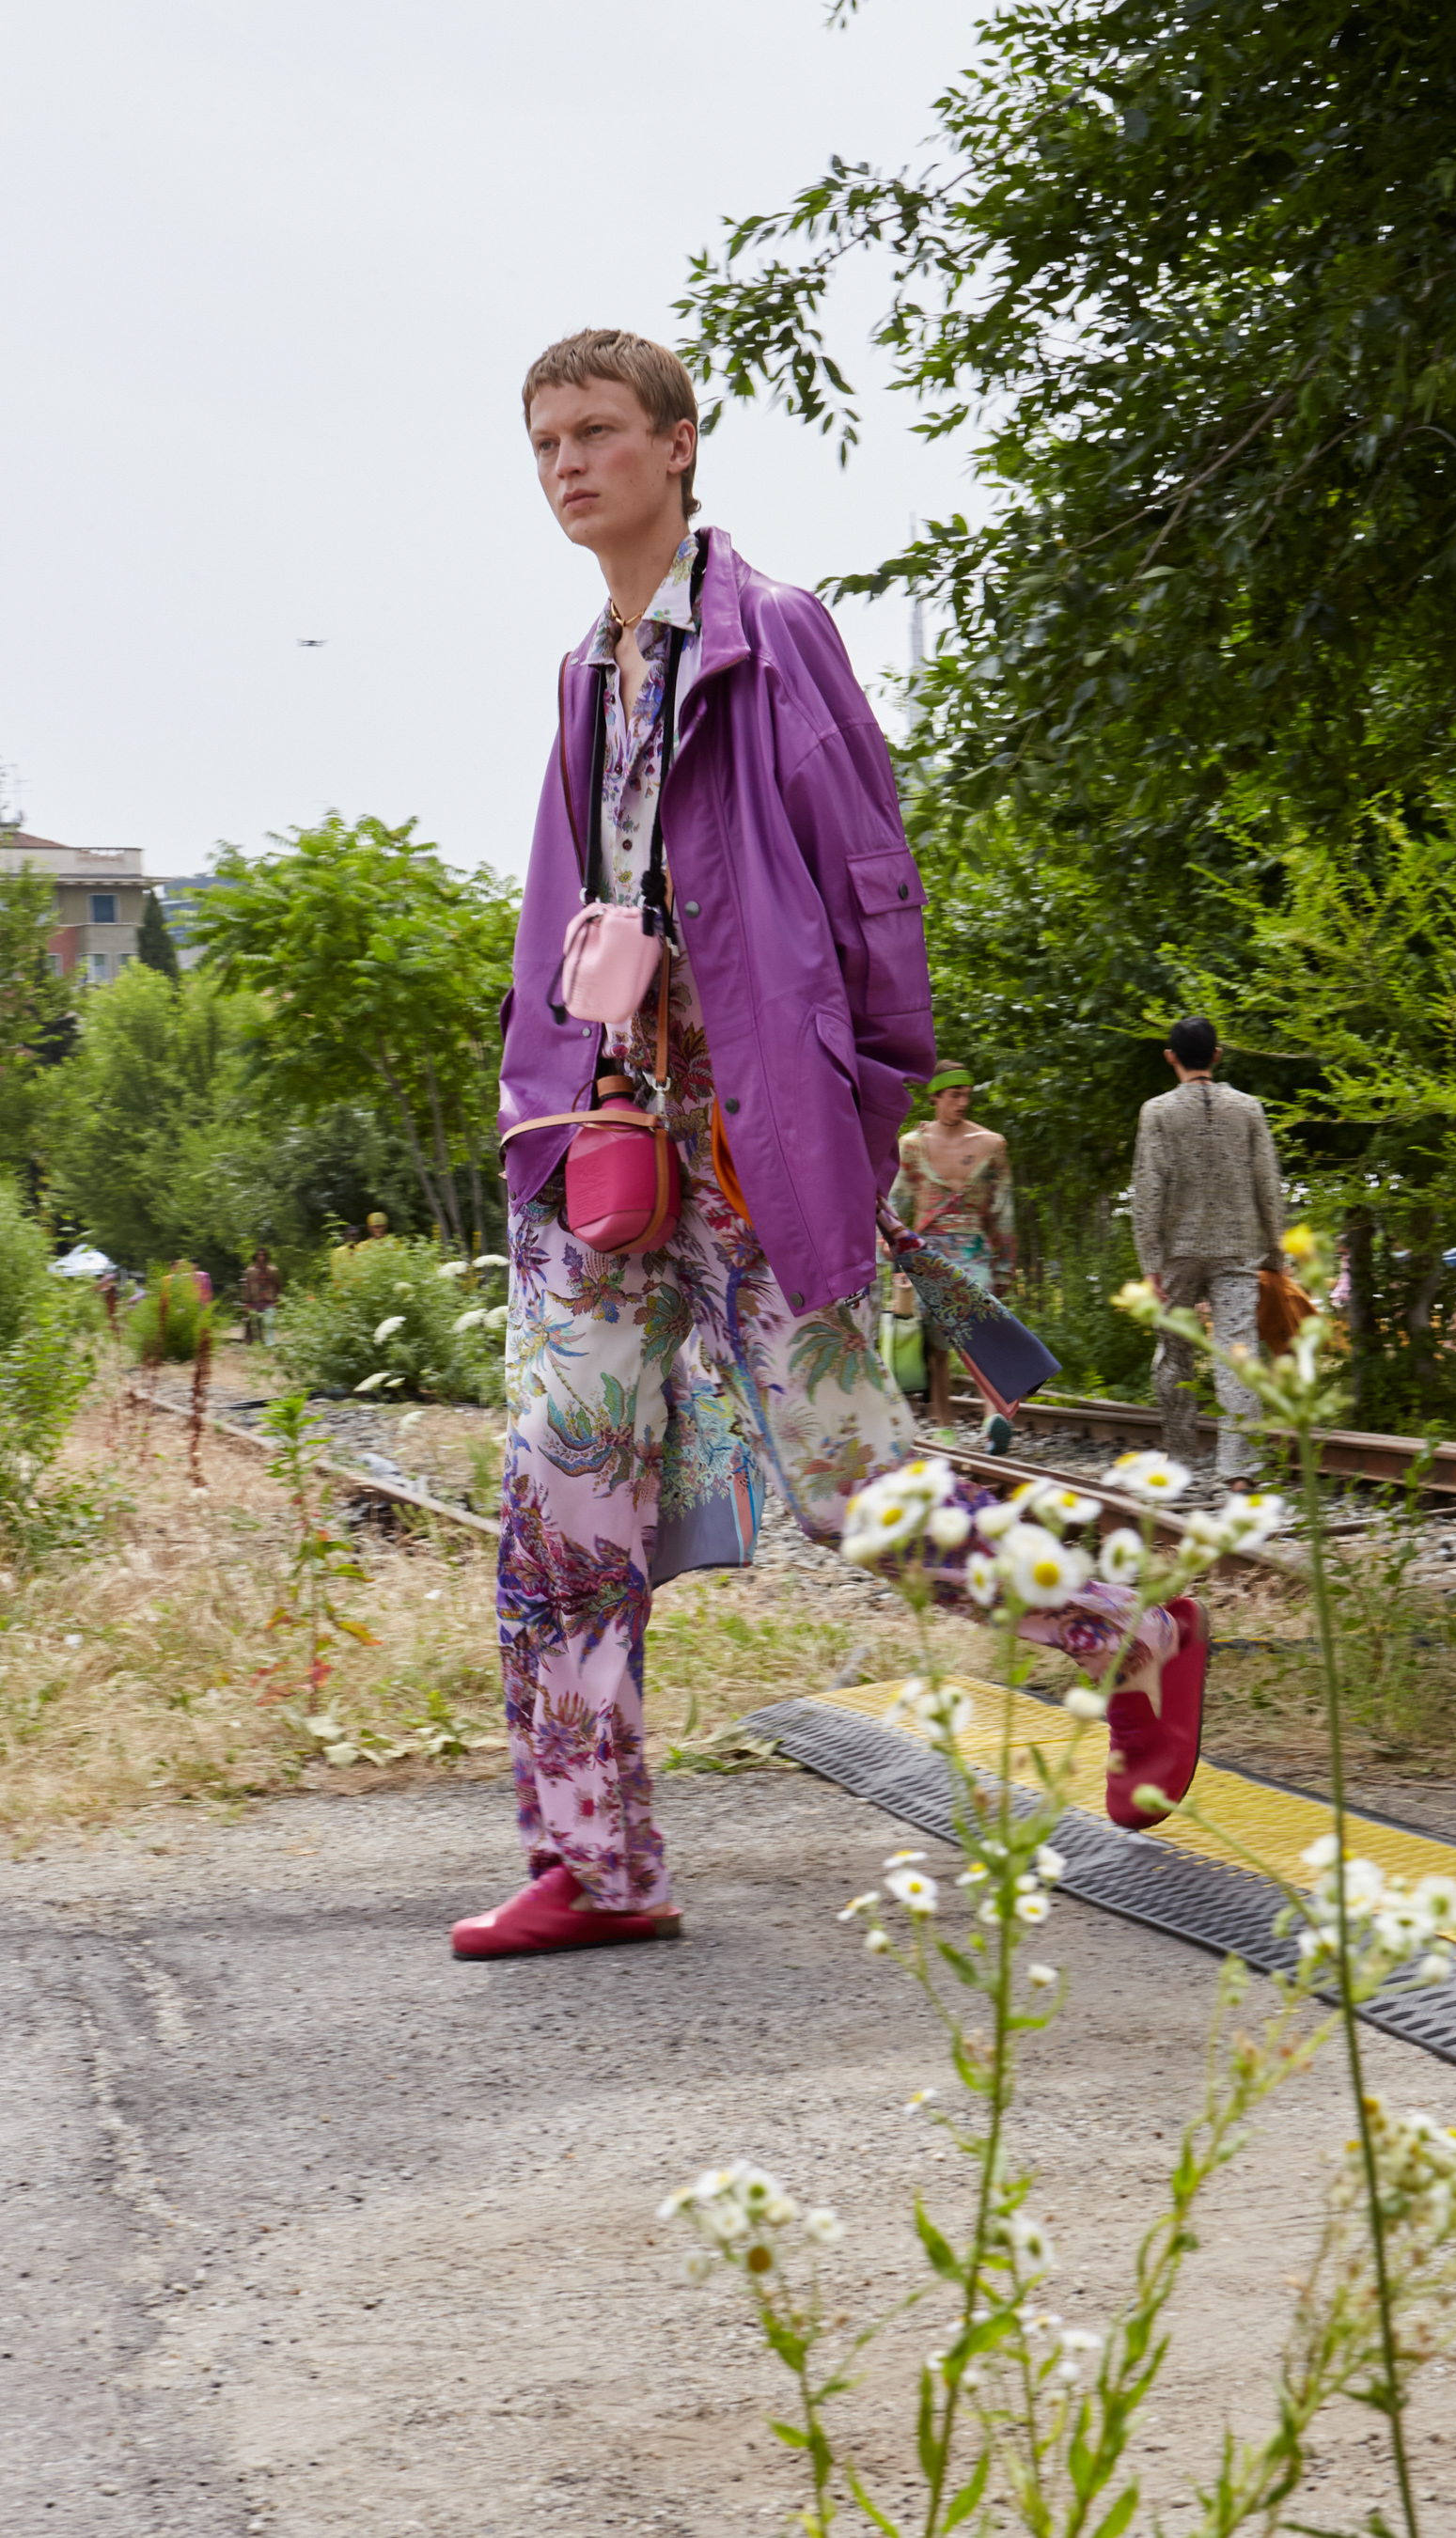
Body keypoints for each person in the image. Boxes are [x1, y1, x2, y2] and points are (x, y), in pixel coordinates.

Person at [455, 328, 1195, 1962]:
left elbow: (874, 890)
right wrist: (541, 1097)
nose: (569, 465)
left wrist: (862, 1110)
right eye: (543, 443)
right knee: (565, 1497)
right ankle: (597, 1864)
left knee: (852, 1494)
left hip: (756, 1143)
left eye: (595, 432)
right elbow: (554, 913)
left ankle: (1135, 1626)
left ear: (678, 441)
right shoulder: (587, 671)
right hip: (610, 1140)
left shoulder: (776, 638)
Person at [1130, 1016, 1284, 1486]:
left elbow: (1148, 1191)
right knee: (1238, 1352)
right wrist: (1276, 1252)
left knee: (1174, 1351)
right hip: (1238, 1249)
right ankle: (1238, 1470)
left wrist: (1150, 1264)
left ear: (1170, 1057)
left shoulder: (1156, 1112)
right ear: (1217, 1055)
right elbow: (1268, 1183)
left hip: (1177, 1252)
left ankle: (1180, 1459)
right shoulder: (1249, 1109)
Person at [889, 1062, 1015, 1437]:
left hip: (974, 1252)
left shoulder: (991, 1145)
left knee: (979, 1336)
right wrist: (892, 1259)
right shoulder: (912, 1147)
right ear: (935, 1098)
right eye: (954, 1095)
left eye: (967, 1095)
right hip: (927, 1253)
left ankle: (994, 1417)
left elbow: (1004, 1212)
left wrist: (1005, 1266)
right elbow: (894, 1204)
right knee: (935, 1346)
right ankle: (944, 1427)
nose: (962, 1103)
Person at [239, 1246, 283, 1345]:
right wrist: (246, 1302)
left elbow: (278, 1286)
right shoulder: (250, 1271)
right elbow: (245, 1287)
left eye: (263, 1255)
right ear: (255, 1256)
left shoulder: (273, 1270)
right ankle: (257, 1345)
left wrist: (278, 1300)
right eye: (259, 1254)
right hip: (255, 1301)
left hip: (270, 1300)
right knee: (256, 1326)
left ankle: (269, 1345)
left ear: (267, 1256)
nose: (261, 1257)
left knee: (269, 1324)